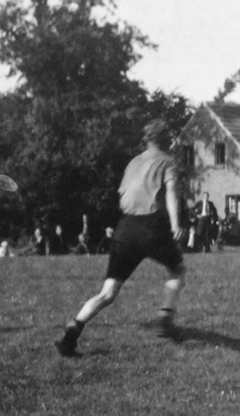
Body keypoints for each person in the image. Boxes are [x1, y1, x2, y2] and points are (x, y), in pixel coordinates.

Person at [55, 119, 185, 357]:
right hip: (152, 226)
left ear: (146, 140)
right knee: (177, 270)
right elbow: (172, 194)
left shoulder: (133, 162)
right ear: (166, 140)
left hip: (126, 228)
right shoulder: (167, 162)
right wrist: (176, 223)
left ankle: (71, 334)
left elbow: (123, 195)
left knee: (108, 293)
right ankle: (165, 318)